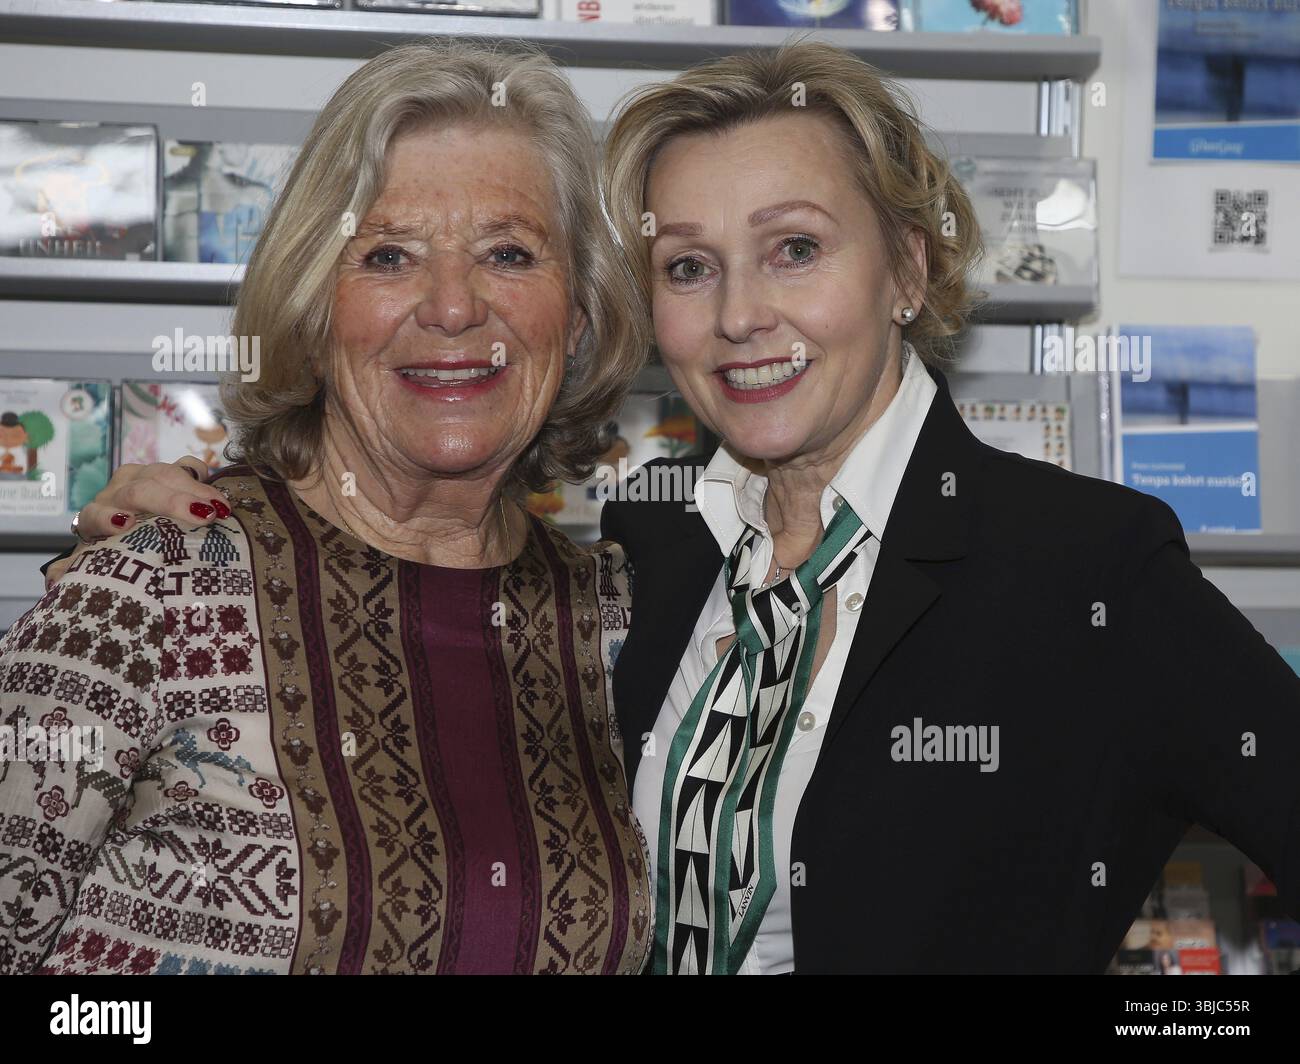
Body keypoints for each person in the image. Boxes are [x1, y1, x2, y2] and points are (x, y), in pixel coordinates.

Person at [41, 40, 1300, 976]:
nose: (742, 313)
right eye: (690, 266)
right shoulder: (647, 567)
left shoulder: (1082, 567)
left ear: (909, 264)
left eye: (796, 247)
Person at [0, 37, 652, 975]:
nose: (453, 307)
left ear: (579, 313)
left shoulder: (626, 626)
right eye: (388, 255)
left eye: (508, 253)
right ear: (312, 307)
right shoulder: (153, 591)